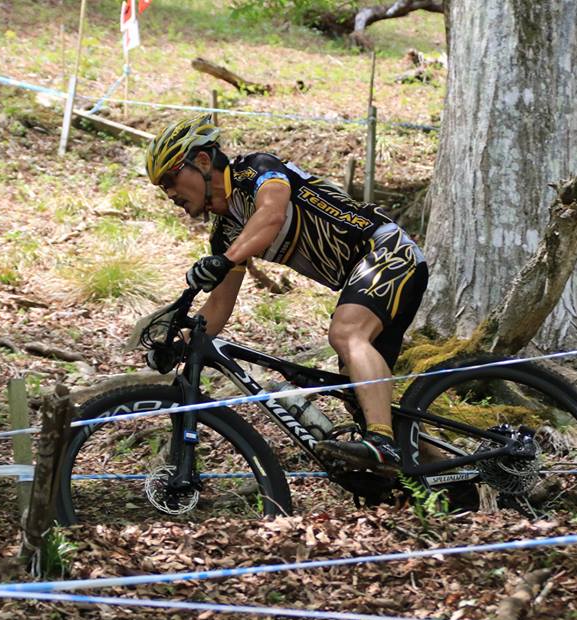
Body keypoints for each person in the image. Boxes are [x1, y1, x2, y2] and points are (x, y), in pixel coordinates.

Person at [145, 114, 428, 473]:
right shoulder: (226, 232)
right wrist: (180, 344)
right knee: (363, 399)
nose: (169, 193)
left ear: (202, 161)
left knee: (346, 333)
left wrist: (226, 260)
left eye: (170, 179)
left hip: (386, 250)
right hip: (361, 274)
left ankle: (382, 445)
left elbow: (271, 214)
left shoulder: (256, 170)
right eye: (162, 188)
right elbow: (218, 305)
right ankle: (443, 477)